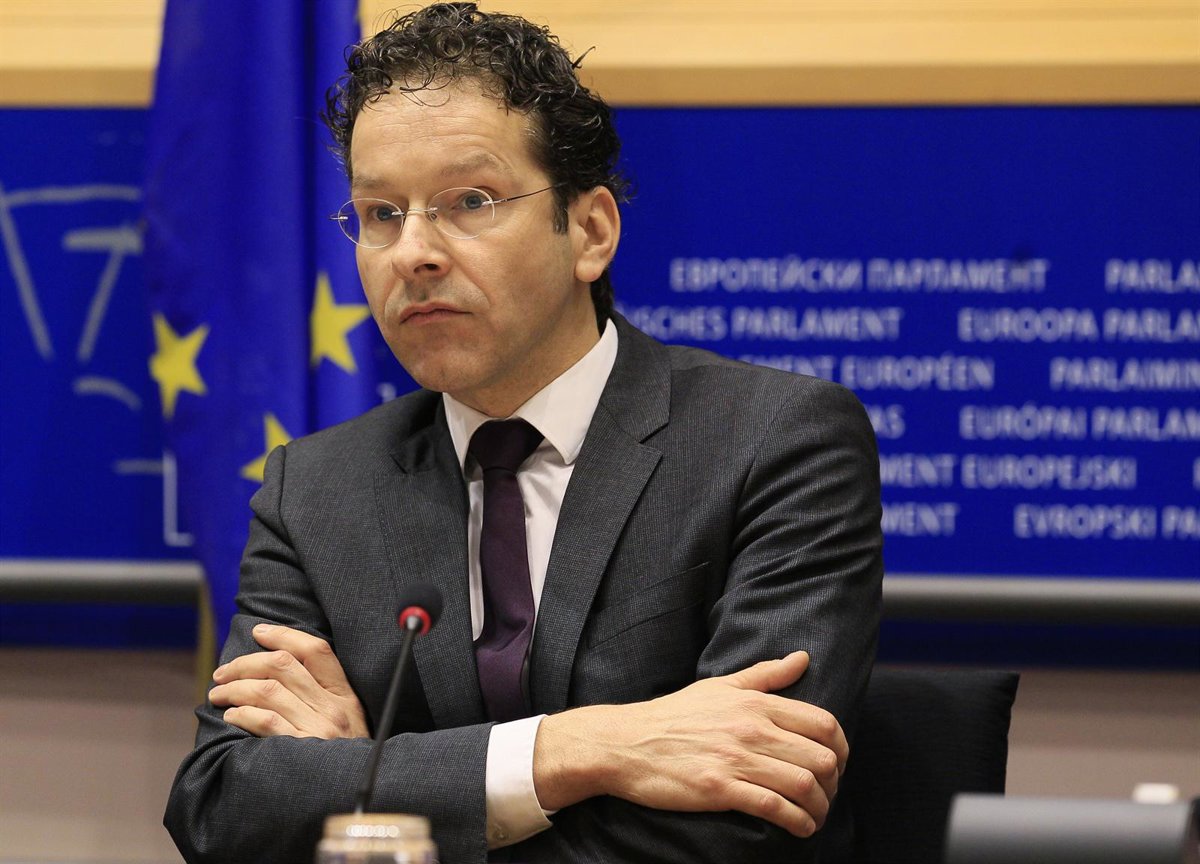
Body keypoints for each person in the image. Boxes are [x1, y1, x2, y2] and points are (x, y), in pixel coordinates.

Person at [164, 4, 883, 863]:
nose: (413, 254)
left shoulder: (774, 443)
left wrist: (372, 789)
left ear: (590, 232)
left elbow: (743, 818)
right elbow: (223, 806)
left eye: (470, 202)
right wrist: (582, 749)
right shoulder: (316, 490)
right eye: (381, 213)